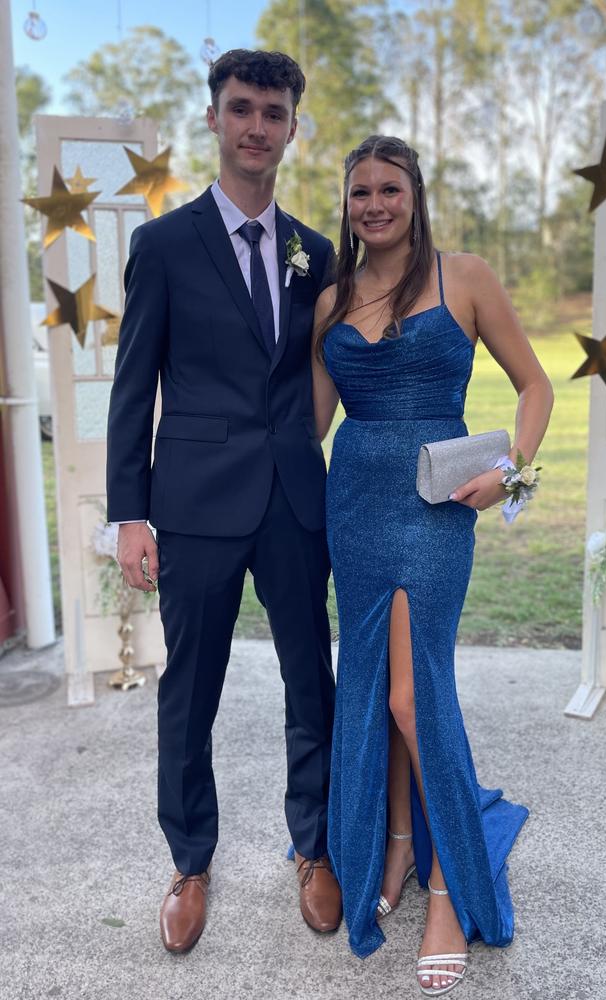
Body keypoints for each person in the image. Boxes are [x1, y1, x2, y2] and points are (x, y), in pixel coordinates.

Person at [106, 49, 342, 953]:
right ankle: (190, 859)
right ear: (213, 117)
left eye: (273, 113)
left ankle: (312, 848)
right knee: (189, 693)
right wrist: (132, 514)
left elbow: (319, 371)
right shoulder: (162, 244)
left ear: (291, 126)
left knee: (306, 684)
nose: (256, 127)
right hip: (196, 503)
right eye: (241, 108)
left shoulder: (313, 251)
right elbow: (134, 390)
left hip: (293, 500)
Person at [310, 135, 554, 994]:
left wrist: (511, 473)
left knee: (417, 696)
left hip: (436, 509)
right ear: (346, 204)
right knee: (375, 690)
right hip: (355, 510)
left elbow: (536, 387)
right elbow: (310, 424)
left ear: (415, 194)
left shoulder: (468, 277)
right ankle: (398, 845)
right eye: (360, 193)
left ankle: (448, 886)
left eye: (389, 189)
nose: (374, 205)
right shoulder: (332, 296)